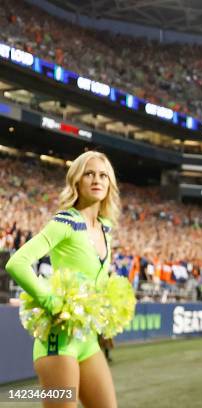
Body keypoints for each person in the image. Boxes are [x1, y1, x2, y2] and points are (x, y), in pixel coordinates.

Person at [6, 151, 120, 408]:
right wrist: (53, 304)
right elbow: (17, 263)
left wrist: (102, 326)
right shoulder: (65, 222)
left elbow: (97, 283)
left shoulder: (106, 229)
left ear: (110, 183)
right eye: (89, 173)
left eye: (103, 175)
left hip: (88, 341)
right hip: (59, 342)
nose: (96, 179)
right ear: (77, 180)